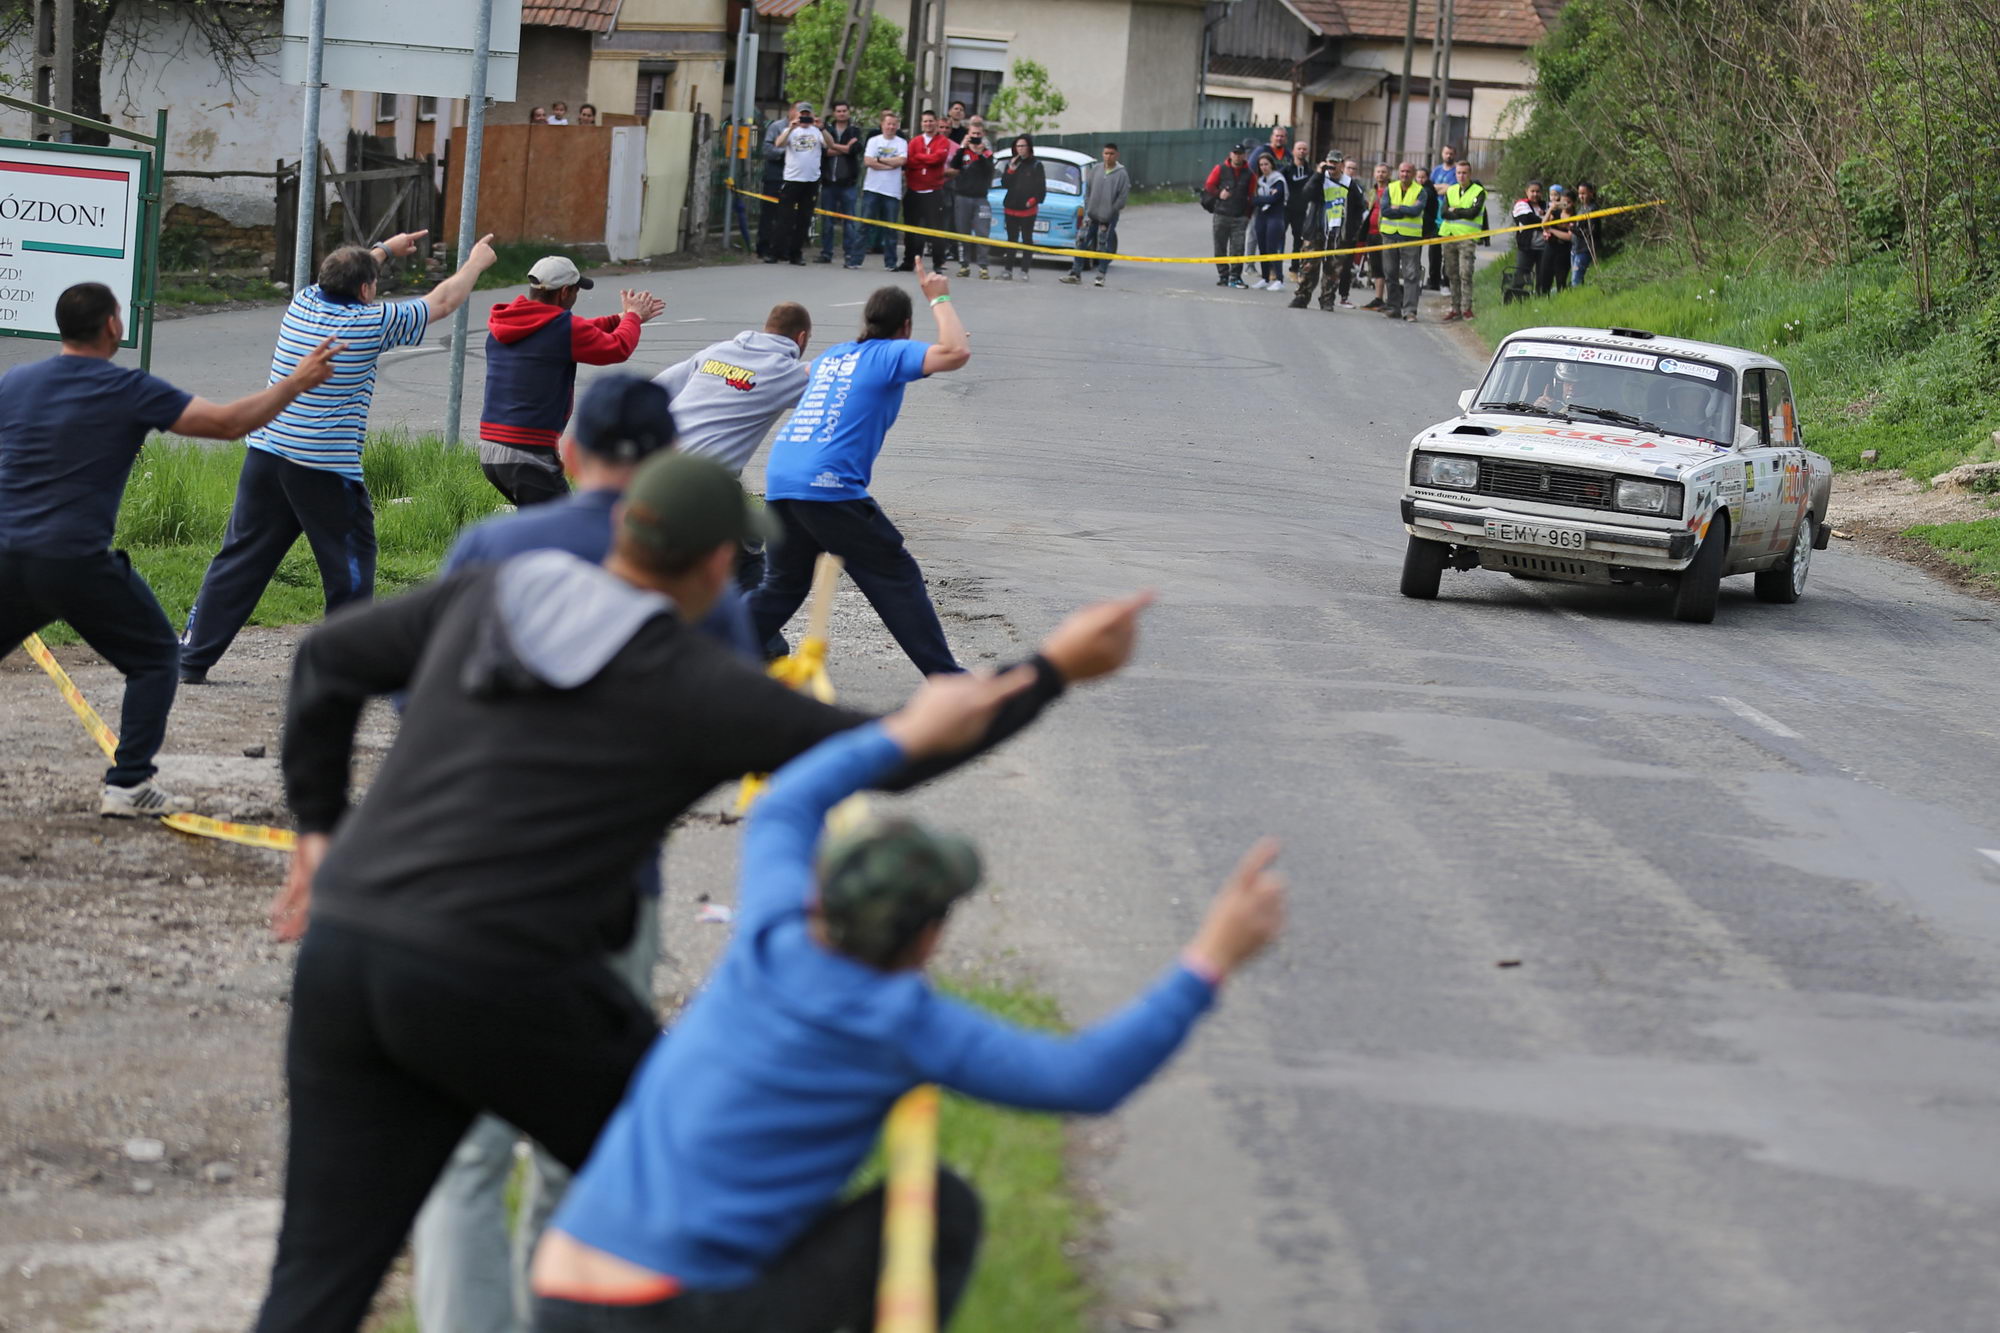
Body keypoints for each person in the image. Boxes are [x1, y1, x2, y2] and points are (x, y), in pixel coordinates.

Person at [252, 441, 1148, 1332]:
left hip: (349, 948)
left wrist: (320, 830)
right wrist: (1055, 668)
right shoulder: (690, 685)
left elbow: (327, 657)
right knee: (686, 1184)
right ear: (720, 565)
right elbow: (892, 757)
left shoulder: (493, 594)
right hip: (498, 976)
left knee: (319, 1276)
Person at [527, 705, 1286, 1333]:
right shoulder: (897, 1018)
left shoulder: (768, 935)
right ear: (927, 938)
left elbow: (789, 800)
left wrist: (915, 728)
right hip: (669, 1312)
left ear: (820, 897)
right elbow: (1084, 1077)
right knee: (939, 1207)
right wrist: (1210, 958)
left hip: (558, 1282)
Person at [409, 377, 753, 1333]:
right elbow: (730, 725)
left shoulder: (495, 545)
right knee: (580, 1147)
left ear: (569, 450)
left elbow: (416, 692)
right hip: (614, 896)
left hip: (477, 891)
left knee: (467, 1148)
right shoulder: (695, 570)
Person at [0, 283, 338, 817]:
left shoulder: (14, 382)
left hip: (7, 556)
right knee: (157, 657)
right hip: (76, 563)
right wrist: (296, 382)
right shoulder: (128, 389)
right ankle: (129, 784)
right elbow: (230, 424)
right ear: (113, 325)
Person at [178, 230, 497, 685]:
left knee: (241, 559)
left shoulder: (303, 301)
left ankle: (191, 659)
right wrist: (476, 263)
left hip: (267, 454)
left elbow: (347, 272)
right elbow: (444, 301)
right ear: (367, 291)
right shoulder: (370, 324)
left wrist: (385, 249)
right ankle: (345, 668)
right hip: (323, 469)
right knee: (349, 570)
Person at [749, 264, 968, 676]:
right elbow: (956, 352)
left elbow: (826, 379)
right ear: (905, 327)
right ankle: (949, 680)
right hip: (828, 487)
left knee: (782, 586)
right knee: (895, 575)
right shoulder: (891, 353)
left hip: (782, 480)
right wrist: (939, 297)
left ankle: (699, 649)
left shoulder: (834, 356)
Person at [477, 258, 665, 508]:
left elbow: (579, 330)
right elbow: (617, 348)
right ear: (565, 292)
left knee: (540, 530)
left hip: (491, 451)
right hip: (527, 453)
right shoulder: (560, 329)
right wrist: (632, 317)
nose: (576, 296)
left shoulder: (509, 322)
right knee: (563, 531)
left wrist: (623, 318)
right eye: (576, 290)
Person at [652, 302, 816, 589]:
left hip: (657, 471)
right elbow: (843, 380)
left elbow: (655, 389)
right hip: (705, 485)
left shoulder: (715, 352)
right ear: (801, 338)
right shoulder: (785, 372)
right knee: (746, 575)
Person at [1289, 157, 1367, 311]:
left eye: (1335, 163)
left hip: (1338, 233)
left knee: (1333, 270)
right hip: (1316, 230)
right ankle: (1302, 296)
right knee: (1308, 266)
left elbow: (1360, 207)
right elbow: (1306, 194)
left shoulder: (1349, 183)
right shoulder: (1319, 180)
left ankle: (1327, 300)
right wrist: (1318, 174)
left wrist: (1352, 229)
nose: (1332, 166)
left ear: (1341, 165)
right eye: (1329, 162)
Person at [1062, 142, 1129, 288]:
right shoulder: (1097, 169)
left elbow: (1122, 197)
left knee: (1103, 245)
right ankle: (1075, 273)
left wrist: (1112, 210)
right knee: (1081, 241)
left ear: (1116, 155)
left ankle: (1101, 275)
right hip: (1091, 213)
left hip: (1108, 216)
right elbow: (1088, 190)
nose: (1108, 156)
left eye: (1111, 154)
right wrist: (1088, 206)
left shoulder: (1121, 173)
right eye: (1106, 153)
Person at [769, 101, 825, 267]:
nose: (805, 117)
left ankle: (796, 253)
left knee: (804, 220)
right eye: (802, 114)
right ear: (797, 115)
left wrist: (822, 128)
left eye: (808, 114)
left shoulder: (817, 131)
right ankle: (775, 252)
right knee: (784, 218)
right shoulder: (790, 130)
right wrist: (791, 128)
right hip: (792, 180)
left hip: (811, 181)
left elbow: (828, 144)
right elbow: (778, 144)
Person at [899, 109, 954, 273]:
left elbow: (938, 159)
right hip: (914, 190)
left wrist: (921, 158)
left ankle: (938, 263)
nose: (928, 124)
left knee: (935, 229)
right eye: (925, 121)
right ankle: (909, 261)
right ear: (921, 123)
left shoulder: (943, 141)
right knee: (911, 229)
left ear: (936, 122)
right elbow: (910, 161)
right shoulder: (915, 141)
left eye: (931, 121)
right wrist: (925, 161)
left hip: (933, 191)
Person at [945, 115, 996, 279]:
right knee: (962, 233)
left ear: (983, 134)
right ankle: (964, 265)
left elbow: (989, 171)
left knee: (982, 232)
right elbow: (953, 166)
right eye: (973, 134)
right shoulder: (963, 151)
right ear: (968, 133)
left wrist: (980, 154)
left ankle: (983, 266)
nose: (975, 137)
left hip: (980, 198)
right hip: (962, 197)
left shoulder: (987, 153)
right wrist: (962, 147)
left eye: (978, 134)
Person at [1379, 160, 1431, 321]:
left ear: (1414, 174)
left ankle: (1410, 310)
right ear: (1398, 173)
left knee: (1411, 274)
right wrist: (1404, 210)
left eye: (1408, 172)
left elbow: (1416, 211)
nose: (1404, 174)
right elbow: (1385, 211)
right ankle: (1393, 307)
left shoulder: (1420, 191)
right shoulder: (1391, 188)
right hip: (1389, 236)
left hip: (1410, 237)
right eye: (1402, 171)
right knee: (1390, 273)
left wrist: (1398, 208)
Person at [858, 111, 909, 272]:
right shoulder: (874, 141)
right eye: (888, 124)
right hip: (872, 189)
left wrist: (879, 160)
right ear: (882, 125)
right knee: (864, 226)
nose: (891, 127)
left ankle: (890, 263)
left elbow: (901, 160)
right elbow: (868, 161)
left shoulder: (901, 142)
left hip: (892, 192)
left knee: (890, 230)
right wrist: (889, 164)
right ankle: (855, 259)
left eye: (894, 124)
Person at [1437, 158, 1487, 322]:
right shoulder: (1451, 190)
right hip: (1449, 235)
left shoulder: (1478, 191)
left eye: (1464, 173)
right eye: (1458, 173)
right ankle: (1455, 308)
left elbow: (1473, 212)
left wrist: (1455, 210)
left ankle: (1467, 308)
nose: (1461, 176)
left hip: (1467, 237)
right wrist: (1459, 211)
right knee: (1451, 273)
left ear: (1470, 174)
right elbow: (1444, 212)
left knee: (1465, 272)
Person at [814, 100, 863, 265]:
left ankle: (849, 253)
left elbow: (854, 150)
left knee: (849, 222)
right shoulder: (826, 130)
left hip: (848, 183)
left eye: (844, 111)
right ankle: (826, 253)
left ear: (848, 112)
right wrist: (843, 148)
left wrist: (834, 147)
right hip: (829, 183)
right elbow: (822, 151)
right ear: (834, 113)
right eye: (839, 111)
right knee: (827, 221)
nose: (842, 113)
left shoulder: (854, 130)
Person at [1203, 143, 1255, 289]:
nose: (1237, 156)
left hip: (1240, 216)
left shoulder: (1249, 174)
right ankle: (1223, 275)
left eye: (1240, 153)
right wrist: (1219, 193)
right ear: (1230, 154)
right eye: (1235, 153)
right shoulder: (1220, 169)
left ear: (1244, 155)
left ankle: (1235, 276)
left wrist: (1247, 216)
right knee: (1220, 247)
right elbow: (1209, 185)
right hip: (1222, 214)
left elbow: (1251, 195)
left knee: (1238, 248)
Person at [997, 135, 1045, 282]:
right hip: (1011, 207)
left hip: (1028, 209)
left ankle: (1024, 270)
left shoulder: (1037, 165)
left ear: (1029, 147)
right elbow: (1005, 183)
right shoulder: (1011, 163)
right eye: (1018, 146)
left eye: (1023, 146)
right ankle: (1008, 269)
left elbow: (1041, 189)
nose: (1021, 149)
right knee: (1011, 239)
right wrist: (1010, 170)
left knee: (1027, 239)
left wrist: (1032, 201)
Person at [1249, 151, 1290, 290]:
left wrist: (1259, 200)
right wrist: (1260, 200)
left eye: (1266, 164)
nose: (1264, 167)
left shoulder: (1278, 179)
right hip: (1262, 216)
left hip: (1275, 217)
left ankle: (1279, 279)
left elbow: (1275, 198)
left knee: (1273, 248)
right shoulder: (1260, 181)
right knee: (1262, 248)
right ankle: (1265, 278)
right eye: (1261, 165)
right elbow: (1253, 199)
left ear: (1271, 164)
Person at [756, 110, 789, 260]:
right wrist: (786, 153)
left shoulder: (807, 130)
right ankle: (764, 247)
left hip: (795, 178)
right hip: (775, 176)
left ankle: (782, 249)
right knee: (769, 214)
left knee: (787, 216)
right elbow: (767, 150)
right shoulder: (777, 127)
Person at [1426, 145, 1458, 291]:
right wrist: (1442, 187)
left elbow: (1451, 189)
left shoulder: (1456, 171)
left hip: (1448, 216)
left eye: (1451, 153)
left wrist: (1444, 188)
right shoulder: (1437, 170)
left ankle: (1446, 281)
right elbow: (1432, 188)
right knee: (1434, 251)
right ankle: (1433, 281)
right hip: (1435, 216)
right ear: (1442, 153)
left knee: (1448, 252)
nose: (1448, 155)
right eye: (1446, 153)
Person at [1508, 180, 1545, 304]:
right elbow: (1527, 220)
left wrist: (1544, 221)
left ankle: (1541, 299)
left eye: (1538, 191)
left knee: (1543, 275)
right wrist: (1544, 222)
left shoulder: (1545, 205)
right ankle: (1513, 299)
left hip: (1544, 247)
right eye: (1532, 191)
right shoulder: (1521, 204)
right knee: (1522, 274)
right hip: (1526, 247)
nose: (1535, 194)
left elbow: (1555, 219)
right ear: (1526, 192)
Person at [1362, 162, 1391, 309]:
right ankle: (1378, 298)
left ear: (1389, 174)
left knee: (1387, 267)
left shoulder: (1392, 190)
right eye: (1378, 172)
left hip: (1385, 233)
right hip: (1371, 233)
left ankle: (1390, 299)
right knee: (1376, 267)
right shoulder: (1371, 191)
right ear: (1374, 174)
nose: (1381, 174)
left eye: (1384, 172)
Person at [1283, 141, 1314, 275]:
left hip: (1301, 211)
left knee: (1299, 240)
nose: (1302, 151)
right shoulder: (1286, 170)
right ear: (1294, 151)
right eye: (1299, 149)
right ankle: (1273, 269)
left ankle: (1294, 269)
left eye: (1304, 149)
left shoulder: (1310, 172)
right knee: (1278, 238)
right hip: (1285, 209)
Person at [1537, 184, 1574, 296]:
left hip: (1564, 248)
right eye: (1562, 202)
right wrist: (1550, 209)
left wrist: (1552, 231)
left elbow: (1569, 236)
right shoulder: (1556, 213)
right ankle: (1543, 296)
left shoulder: (1575, 215)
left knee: (1561, 277)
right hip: (1550, 246)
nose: (1565, 205)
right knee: (1545, 274)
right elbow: (1544, 225)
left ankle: (1561, 297)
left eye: (1567, 202)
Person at [1570, 180, 1601, 285]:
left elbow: (1589, 232)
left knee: (1576, 279)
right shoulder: (1581, 208)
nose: (1581, 196)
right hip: (1575, 247)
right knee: (1576, 278)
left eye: (1583, 193)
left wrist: (1572, 228)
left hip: (1585, 248)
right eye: (1579, 194)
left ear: (1591, 193)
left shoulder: (1593, 209)